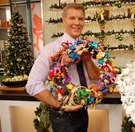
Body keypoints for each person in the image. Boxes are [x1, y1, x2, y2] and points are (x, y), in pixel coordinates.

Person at [26, 3, 100, 132]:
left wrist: (88, 59)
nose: (77, 22)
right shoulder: (52, 49)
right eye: (72, 18)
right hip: (63, 118)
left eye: (81, 19)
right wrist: (60, 106)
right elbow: (32, 84)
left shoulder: (87, 47)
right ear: (63, 20)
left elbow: (96, 78)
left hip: (83, 113)